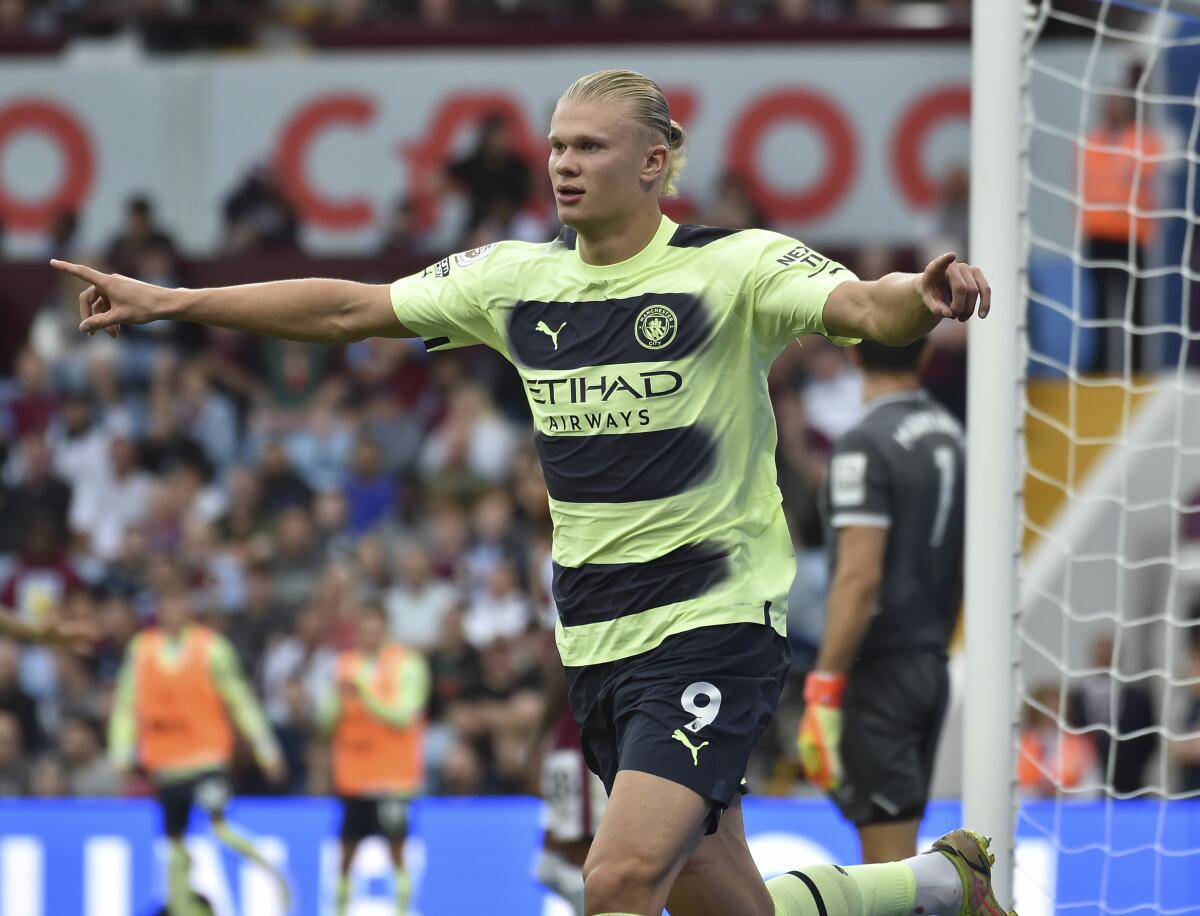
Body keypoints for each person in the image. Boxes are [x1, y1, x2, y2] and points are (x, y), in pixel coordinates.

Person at [56, 68, 1003, 916]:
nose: (563, 163)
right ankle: (930, 886)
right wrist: (173, 302)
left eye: (590, 146)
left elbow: (862, 306)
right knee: (721, 904)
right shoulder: (513, 280)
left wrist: (919, 294)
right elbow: (348, 307)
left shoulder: (735, 266)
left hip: (713, 624)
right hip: (595, 635)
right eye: (556, 144)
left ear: (655, 163)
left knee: (618, 880)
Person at [797, 338, 966, 863]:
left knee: (888, 868)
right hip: (930, 661)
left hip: (881, 673)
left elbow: (858, 578)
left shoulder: (864, 443)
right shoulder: (952, 435)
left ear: (853, 354)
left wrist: (824, 686)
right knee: (902, 852)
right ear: (922, 354)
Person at [107, 572, 290, 915]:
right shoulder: (142, 649)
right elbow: (125, 703)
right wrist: (121, 751)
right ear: (158, 609)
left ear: (188, 608)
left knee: (220, 829)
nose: (173, 611)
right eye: (166, 605)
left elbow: (240, 700)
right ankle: (180, 907)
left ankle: (273, 877)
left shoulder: (210, 647)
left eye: (179, 604)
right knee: (174, 845)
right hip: (165, 766)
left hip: (207, 761)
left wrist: (266, 749)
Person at [320, 603, 430, 916]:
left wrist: (364, 692)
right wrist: (334, 702)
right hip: (354, 779)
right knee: (344, 856)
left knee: (397, 854)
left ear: (385, 629)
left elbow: (404, 716)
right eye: (364, 629)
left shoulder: (407, 664)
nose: (369, 635)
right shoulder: (344, 665)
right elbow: (325, 724)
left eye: (375, 628)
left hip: (393, 780)